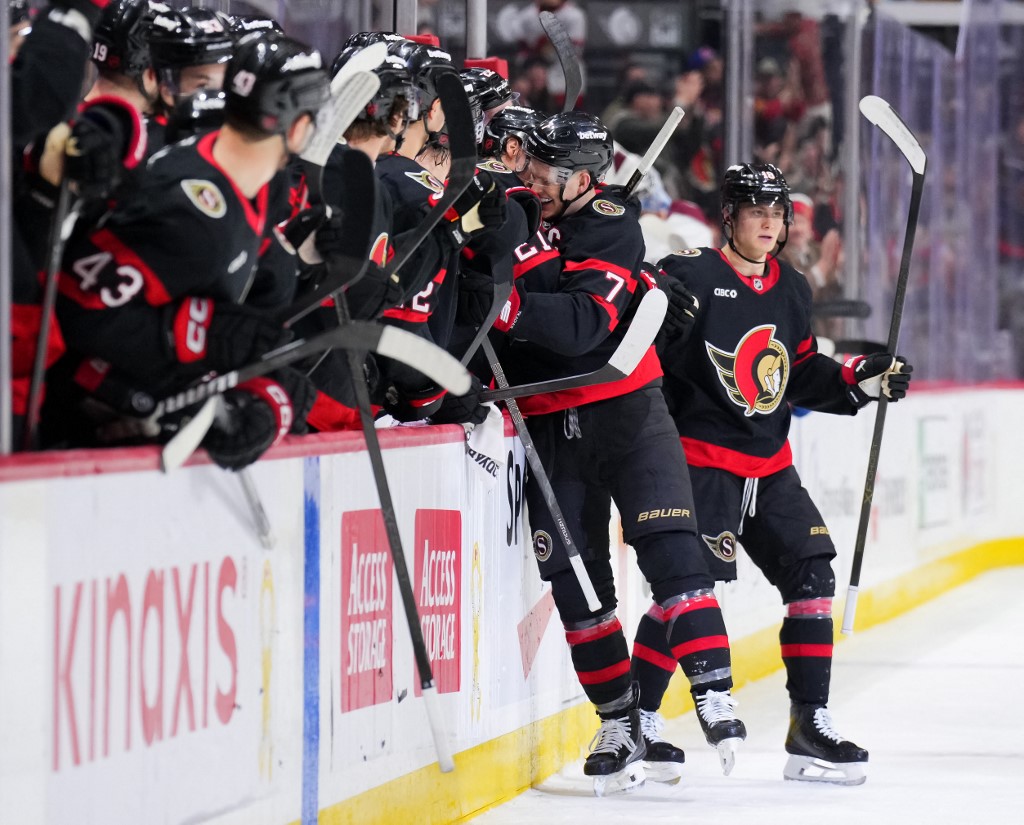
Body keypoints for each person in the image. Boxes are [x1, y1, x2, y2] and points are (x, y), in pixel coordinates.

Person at [493, 111, 746, 794]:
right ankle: (619, 717)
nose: (531, 177)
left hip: (627, 407)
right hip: (549, 418)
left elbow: (579, 327)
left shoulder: (611, 223)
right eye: (529, 164)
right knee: (577, 584)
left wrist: (508, 306)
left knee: (671, 549)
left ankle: (713, 690)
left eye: (544, 169)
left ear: (580, 176)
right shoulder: (511, 208)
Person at [642, 162, 914, 785]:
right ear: (730, 217)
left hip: (770, 466)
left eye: (777, 214)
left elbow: (797, 368)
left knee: (813, 573)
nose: (768, 224)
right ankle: (641, 721)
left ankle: (808, 724)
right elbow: (646, 345)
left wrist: (858, 378)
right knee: (681, 590)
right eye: (755, 212)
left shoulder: (790, 287)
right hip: (701, 465)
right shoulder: (691, 275)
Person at [48, 31, 328, 468]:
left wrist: (261, 383)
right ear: (299, 128)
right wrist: (195, 334)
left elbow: (236, 322)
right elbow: (77, 307)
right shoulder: (191, 213)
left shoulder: (258, 188)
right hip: (83, 433)